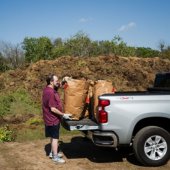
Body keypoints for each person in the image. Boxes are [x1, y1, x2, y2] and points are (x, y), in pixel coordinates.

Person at [42, 74, 66, 164]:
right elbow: (53, 108)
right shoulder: (51, 92)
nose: (58, 82)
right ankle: (55, 157)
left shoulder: (47, 89)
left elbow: (58, 85)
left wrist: (63, 81)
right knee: (55, 138)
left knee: (52, 136)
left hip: (49, 118)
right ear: (51, 82)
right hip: (53, 119)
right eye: (56, 81)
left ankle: (52, 153)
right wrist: (63, 114)